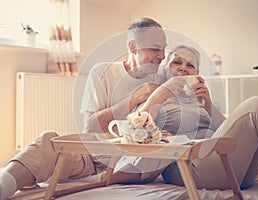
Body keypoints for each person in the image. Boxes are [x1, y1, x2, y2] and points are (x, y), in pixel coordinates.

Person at [0, 17, 167, 200]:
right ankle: (4, 185)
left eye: (164, 48)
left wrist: (202, 97)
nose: (163, 55)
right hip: (91, 157)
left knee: (158, 158)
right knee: (48, 141)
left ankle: (100, 179)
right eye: (156, 48)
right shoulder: (103, 72)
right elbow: (91, 127)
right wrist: (134, 98)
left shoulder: (162, 78)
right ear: (133, 47)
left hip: (130, 161)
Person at [134, 45, 258, 190]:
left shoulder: (197, 100)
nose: (184, 68)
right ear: (164, 69)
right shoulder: (153, 93)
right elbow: (134, 131)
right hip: (189, 168)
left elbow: (229, 133)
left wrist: (208, 104)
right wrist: (160, 94)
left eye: (190, 65)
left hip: (229, 167)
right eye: (177, 62)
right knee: (257, 107)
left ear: (197, 73)